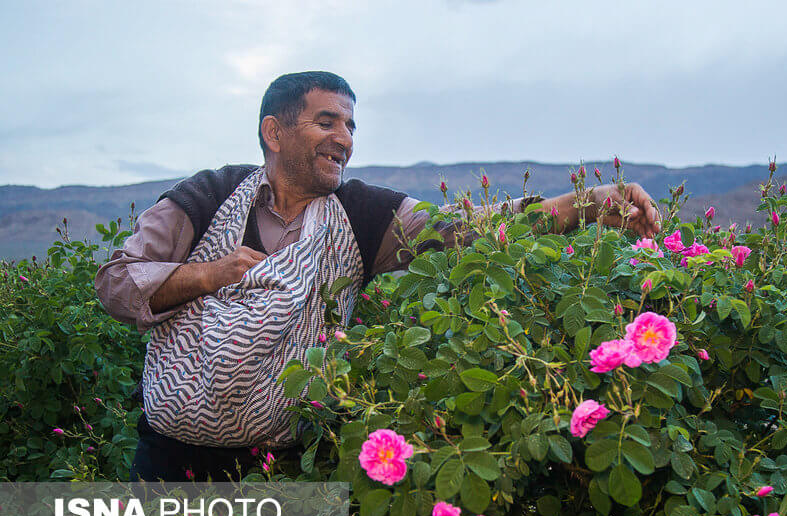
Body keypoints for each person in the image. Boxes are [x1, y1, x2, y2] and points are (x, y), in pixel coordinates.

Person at [95, 71, 662, 483]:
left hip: (281, 468)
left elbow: (471, 228)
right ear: (274, 131)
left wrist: (588, 202)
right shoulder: (210, 195)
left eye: (350, 125)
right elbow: (117, 282)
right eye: (326, 121)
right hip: (167, 458)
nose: (344, 137)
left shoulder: (362, 215)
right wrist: (209, 274)